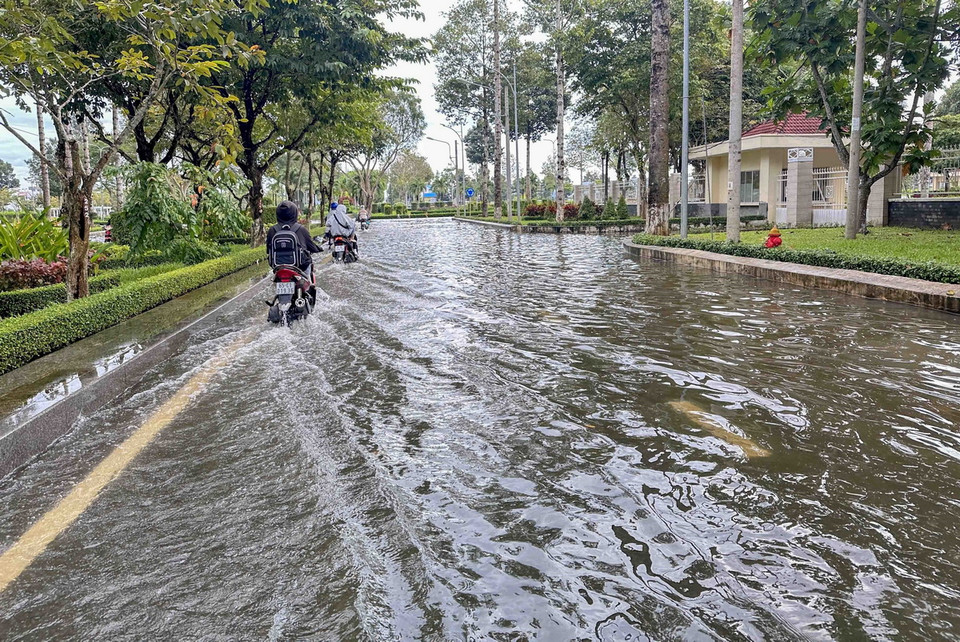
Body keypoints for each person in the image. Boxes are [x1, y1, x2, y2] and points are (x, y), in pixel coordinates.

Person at [267, 200, 324, 299]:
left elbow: (268, 250)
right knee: (309, 282)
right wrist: (319, 248)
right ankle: (309, 295)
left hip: (279, 268)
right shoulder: (301, 229)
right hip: (300, 267)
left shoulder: (272, 230)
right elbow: (311, 246)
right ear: (294, 213)